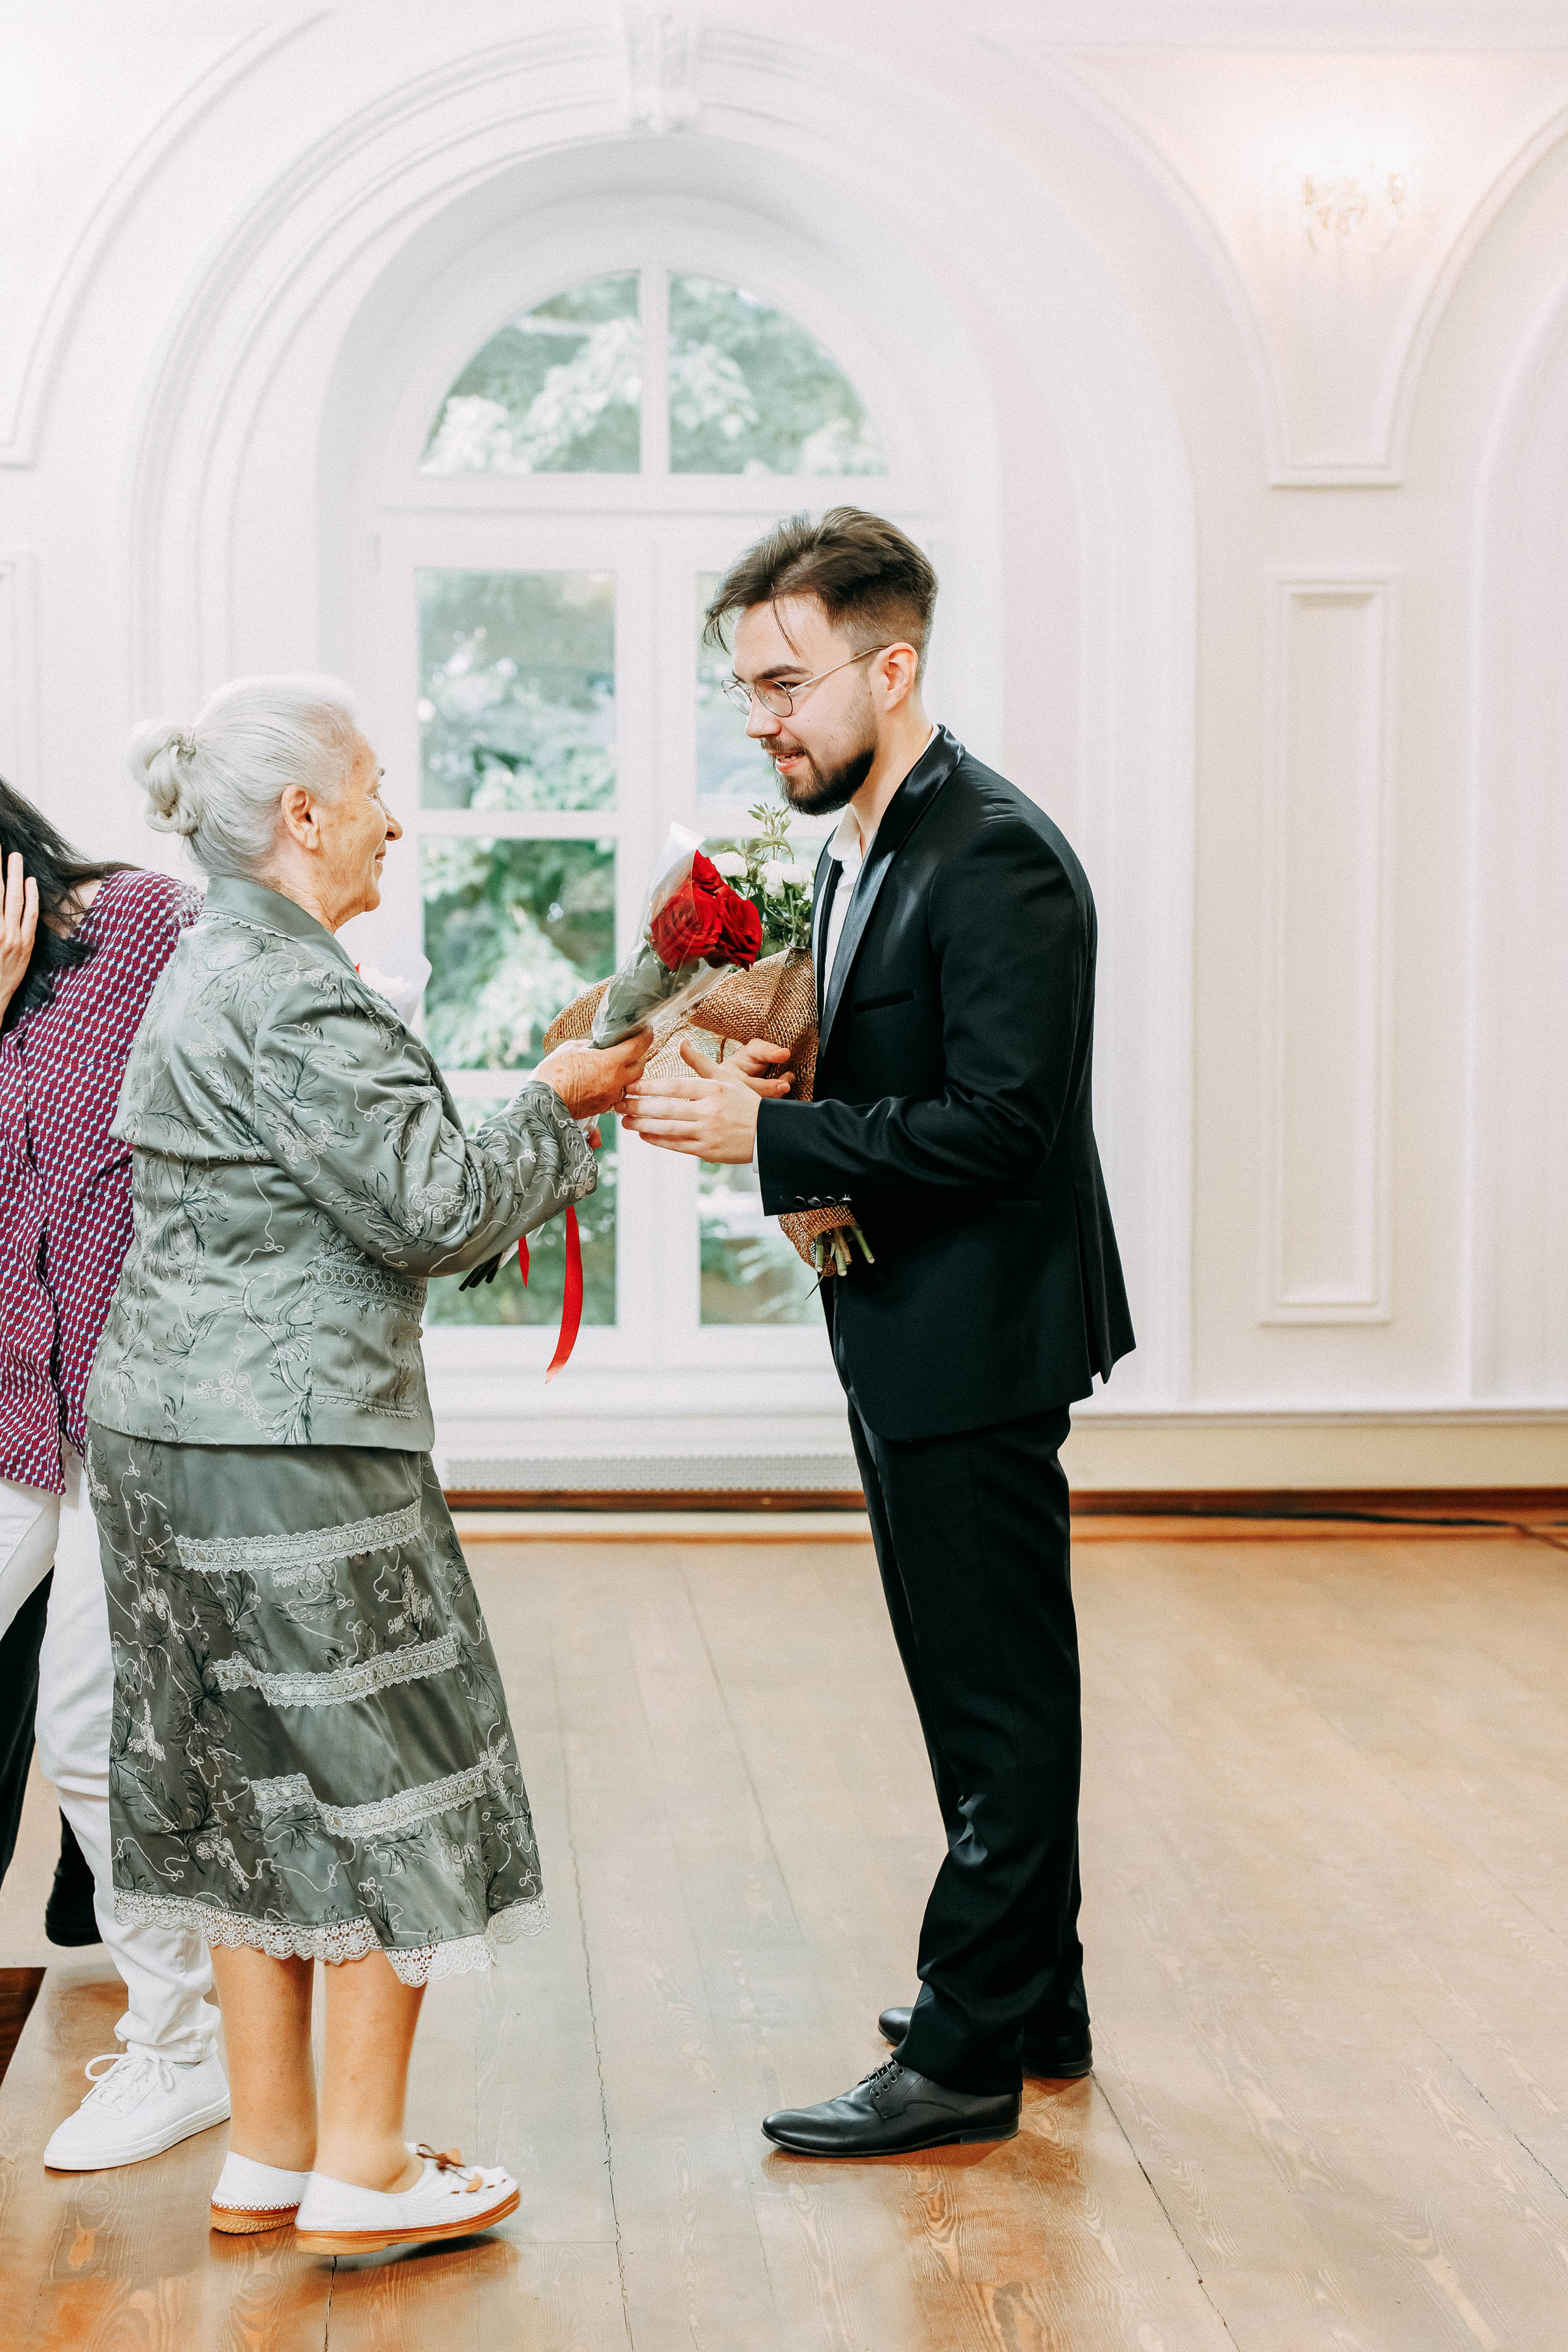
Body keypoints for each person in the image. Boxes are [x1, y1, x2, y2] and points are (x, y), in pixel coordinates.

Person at [85, 675, 648, 2253]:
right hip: (296, 1448)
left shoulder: (202, 970)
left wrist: (523, 1105)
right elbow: (435, 1209)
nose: (397, 819)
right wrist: (559, 1098)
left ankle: (269, 2152)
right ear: (303, 817)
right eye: (376, 787)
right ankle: (368, 2169)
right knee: (387, 1781)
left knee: (239, 1793)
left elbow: (352, 1175)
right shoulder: (305, 994)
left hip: (154, 1444)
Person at [621, 508, 1134, 2157]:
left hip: (978, 1334)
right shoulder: (870, 837)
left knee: (996, 1700)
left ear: (888, 662)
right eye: (745, 688)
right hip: (908, 1324)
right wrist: (794, 1085)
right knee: (965, 1676)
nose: (760, 717)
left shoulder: (994, 853)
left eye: (784, 682)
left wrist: (766, 1146)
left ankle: (970, 2058)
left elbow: (1003, 1125)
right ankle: (1030, 1997)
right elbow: (910, 1077)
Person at [0, 782, 229, 2169]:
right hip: (12, 1419)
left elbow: (290, 1052)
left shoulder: (143, 923)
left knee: (88, 1726)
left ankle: (178, 2048)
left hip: (141, 1422)